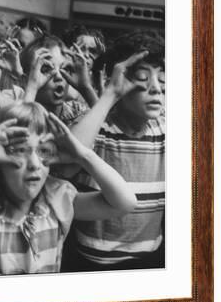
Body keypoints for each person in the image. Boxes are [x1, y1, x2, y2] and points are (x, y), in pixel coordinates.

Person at [0, 101, 136, 276]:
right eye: (20, 150)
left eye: (44, 151)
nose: (35, 163)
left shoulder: (57, 199)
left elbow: (124, 203)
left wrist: (82, 155)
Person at [67, 30, 165, 271]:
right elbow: (67, 162)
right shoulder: (95, 128)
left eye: (163, 81)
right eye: (143, 79)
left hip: (150, 262)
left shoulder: (166, 129)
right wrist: (110, 94)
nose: (156, 89)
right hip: (89, 263)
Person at [21, 34, 96, 125]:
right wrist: (31, 90)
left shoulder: (77, 111)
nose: (59, 76)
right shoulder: (14, 110)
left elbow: (106, 128)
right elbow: (19, 131)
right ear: (25, 81)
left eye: (65, 69)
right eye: (46, 69)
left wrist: (86, 88)